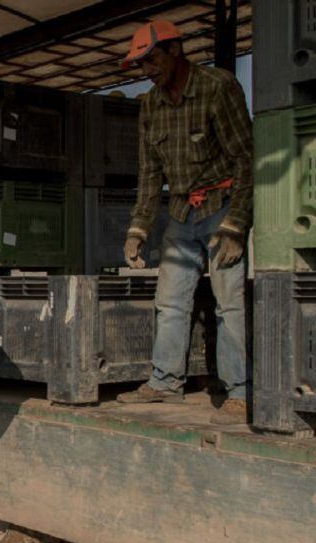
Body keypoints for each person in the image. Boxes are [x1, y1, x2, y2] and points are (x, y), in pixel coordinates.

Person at [114, 20, 252, 425]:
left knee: (229, 303)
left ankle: (240, 392)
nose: (147, 71)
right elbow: (149, 174)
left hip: (221, 207)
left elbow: (246, 157)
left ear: (176, 50)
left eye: (151, 60)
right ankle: (165, 382)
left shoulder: (218, 87)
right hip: (180, 213)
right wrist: (138, 229)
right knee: (170, 301)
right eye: (140, 65)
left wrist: (237, 224)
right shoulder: (150, 106)